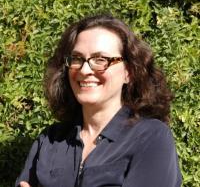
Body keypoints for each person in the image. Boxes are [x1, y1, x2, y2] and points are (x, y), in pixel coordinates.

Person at [15, 14, 182, 187]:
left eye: (101, 59)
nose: (85, 70)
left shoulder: (150, 137)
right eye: (77, 59)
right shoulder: (50, 140)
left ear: (129, 72)